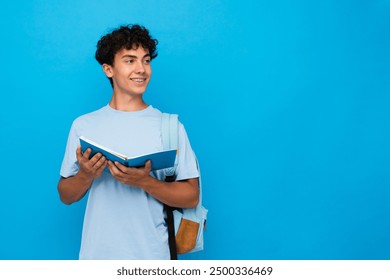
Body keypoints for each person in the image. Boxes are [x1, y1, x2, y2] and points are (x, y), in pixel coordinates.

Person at [58, 24, 199, 260]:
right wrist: (85, 175)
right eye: (130, 60)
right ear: (108, 69)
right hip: (97, 257)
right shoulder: (84, 126)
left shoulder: (171, 127)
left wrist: (145, 182)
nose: (141, 69)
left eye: (146, 60)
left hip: (153, 257)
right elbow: (65, 195)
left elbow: (191, 196)